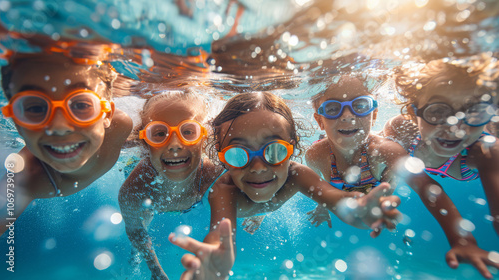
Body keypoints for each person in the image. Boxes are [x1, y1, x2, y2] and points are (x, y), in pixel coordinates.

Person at [170, 91, 402, 279]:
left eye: (274, 151)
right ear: (222, 156)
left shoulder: (295, 174)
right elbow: (219, 237)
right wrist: (216, 265)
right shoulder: (224, 191)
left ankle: (259, 210)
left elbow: (337, 199)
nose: (258, 167)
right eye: (238, 155)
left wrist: (360, 208)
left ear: (292, 148)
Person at [383, 55, 499, 279]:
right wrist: (462, 240)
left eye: (474, 111)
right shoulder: (400, 130)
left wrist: (464, 241)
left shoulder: (486, 150)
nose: (454, 126)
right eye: (437, 111)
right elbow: (422, 183)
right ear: (412, 110)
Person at [0, 49, 133, 237]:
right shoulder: (26, 178)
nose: (59, 127)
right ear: (17, 123)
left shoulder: (121, 125)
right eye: (36, 108)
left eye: (81, 105)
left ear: (107, 114)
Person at [118, 89, 224, 280]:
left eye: (188, 132)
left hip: (185, 199)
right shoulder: (134, 188)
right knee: (144, 218)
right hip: (152, 201)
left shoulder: (214, 174)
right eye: (158, 133)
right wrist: (155, 270)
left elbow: (250, 192)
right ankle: (135, 255)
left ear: (203, 137)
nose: (175, 144)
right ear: (144, 142)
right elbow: (135, 230)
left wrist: (259, 214)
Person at [305, 75, 407, 227]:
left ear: (374, 116)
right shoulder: (316, 156)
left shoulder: (382, 152)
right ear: (320, 120)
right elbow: (325, 187)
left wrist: (381, 205)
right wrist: (324, 206)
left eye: (360, 105)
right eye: (332, 109)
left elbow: (391, 181)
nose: (347, 116)